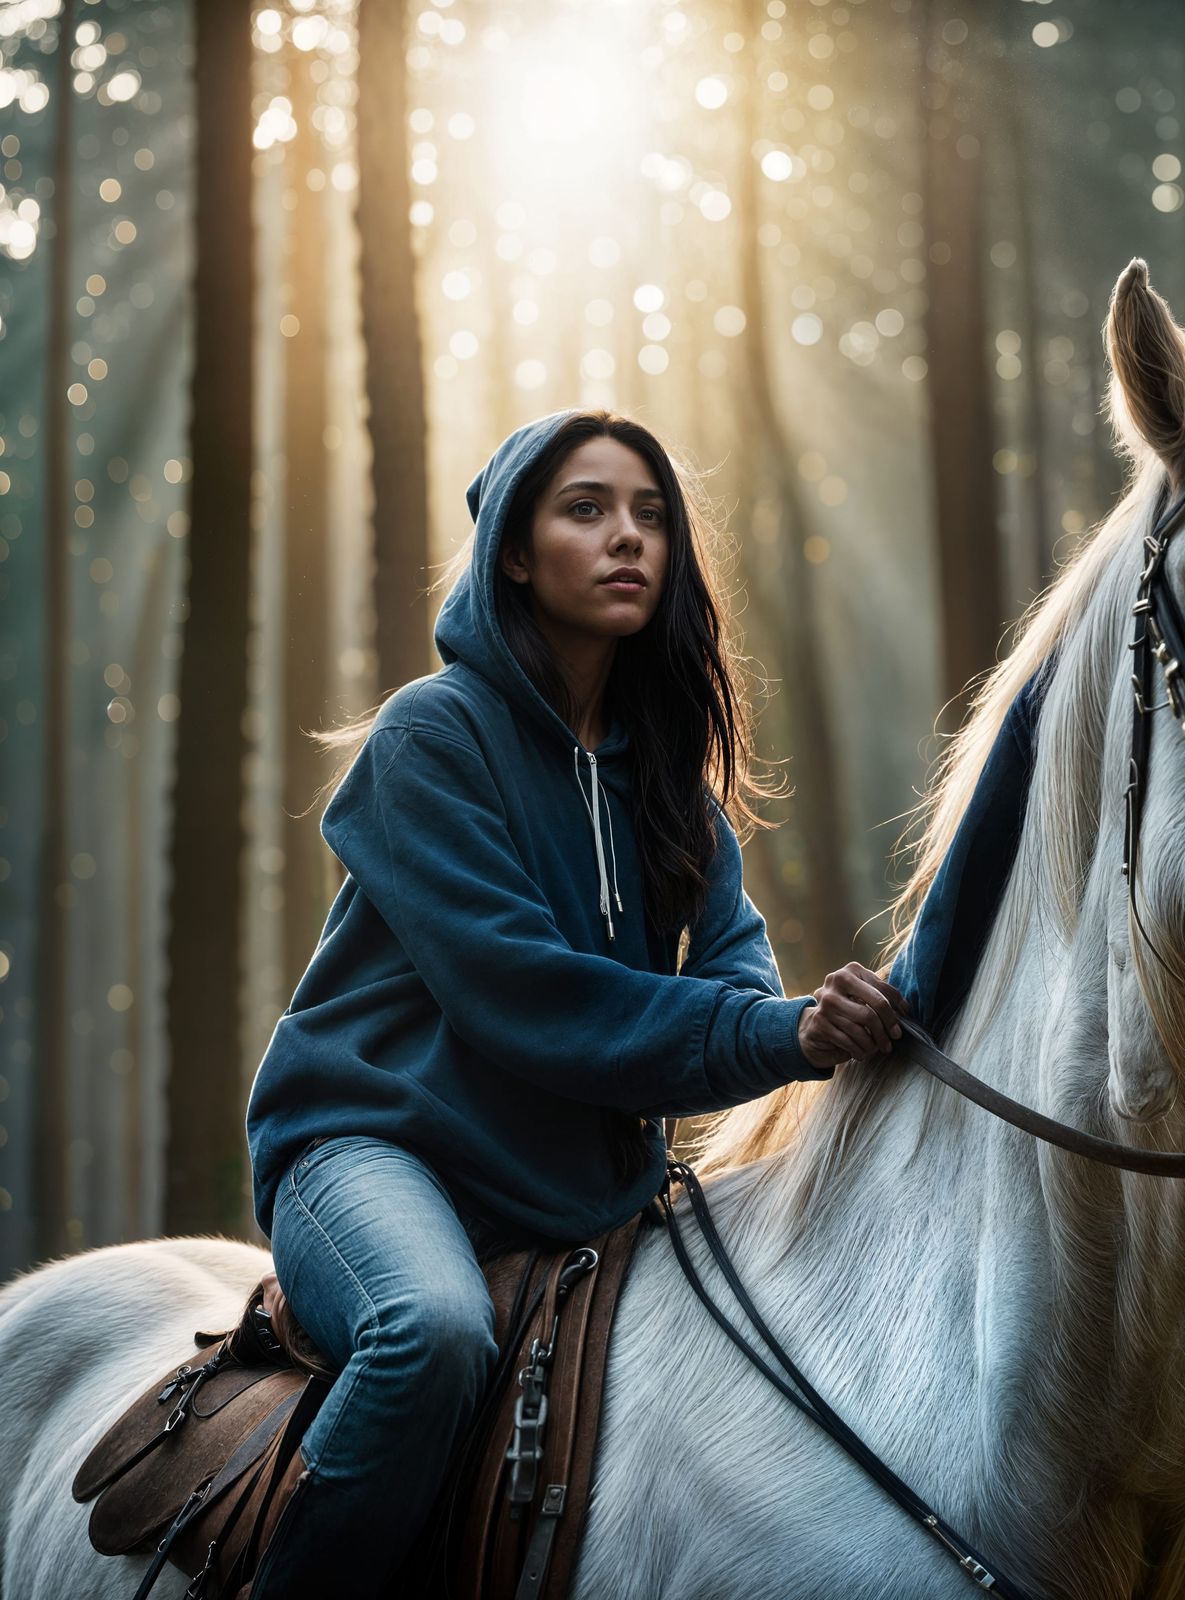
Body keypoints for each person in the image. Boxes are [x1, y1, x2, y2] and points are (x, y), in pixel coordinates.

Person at [242, 407, 907, 1599]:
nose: (628, 539)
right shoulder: (429, 738)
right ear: (512, 547)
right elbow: (526, 996)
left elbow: (734, 968)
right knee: (429, 1337)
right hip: (376, 1153)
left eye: (651, 516)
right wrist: (777, 1033)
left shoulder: (670, 783)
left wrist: (810, 1019)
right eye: (587, 509)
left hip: (582, 1189)